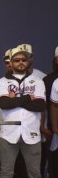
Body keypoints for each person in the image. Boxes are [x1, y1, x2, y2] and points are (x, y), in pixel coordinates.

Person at [0, 47, 45, 178]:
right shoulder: (1, 82)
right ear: (10, 63)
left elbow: (40, 105)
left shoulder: (38, 81)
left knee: (35, 173)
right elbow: (4, 104)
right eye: (17, 60)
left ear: (28, 62)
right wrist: (28, 97)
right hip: (8, 134)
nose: (21, 62)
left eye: (24, 59)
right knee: (6, 173)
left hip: (32, 132)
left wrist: (14, 99)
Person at [44, 46, 58, 178]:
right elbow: (52, 106)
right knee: (54, 167)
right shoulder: (53, 82)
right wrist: (54, 127)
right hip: (54, 132)